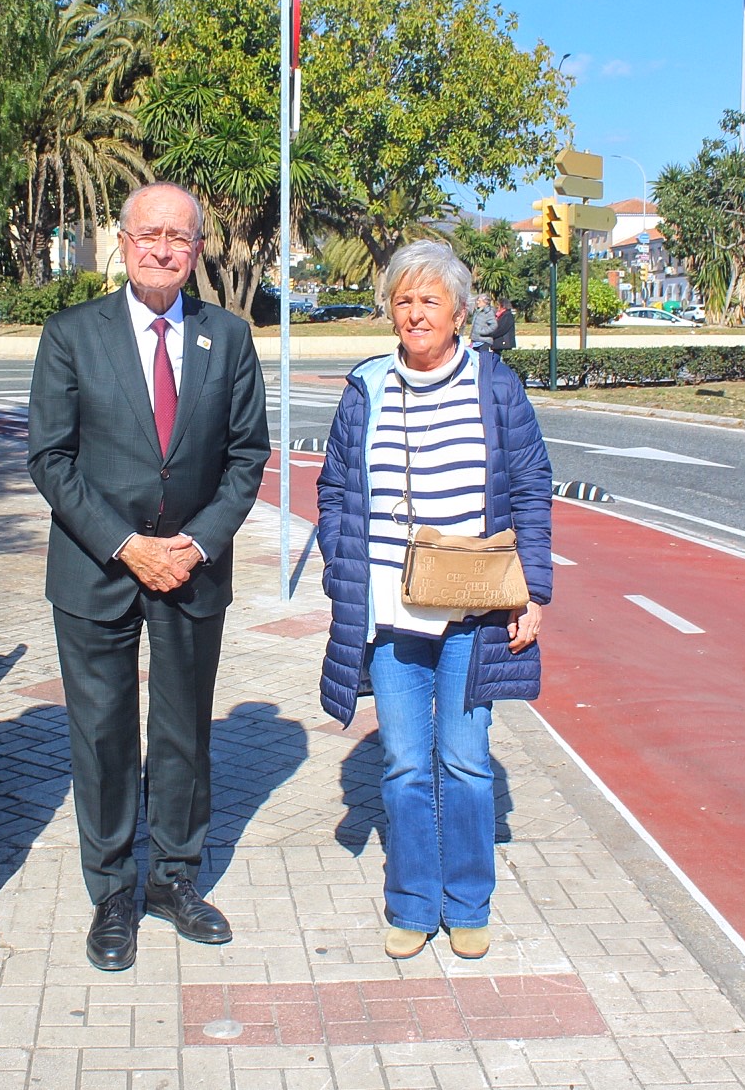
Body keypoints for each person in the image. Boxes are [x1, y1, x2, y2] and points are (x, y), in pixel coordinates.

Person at [28, 182, 271, 971]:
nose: (163, 248)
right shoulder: (71, 334)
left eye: (180, 236)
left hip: (192, 569)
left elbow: (245, 458)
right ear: (123, 243)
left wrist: (194, 545)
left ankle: (173, 878)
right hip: (98, 567)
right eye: (149, 234)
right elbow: (50, 458)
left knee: (182, 733)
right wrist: (125, 543)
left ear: (198, 250)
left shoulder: (227, 338)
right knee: (100, 736)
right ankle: (111, 894)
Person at [315, 239, 553, 961]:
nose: (416, 312)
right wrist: (342, 566)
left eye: (431, 300)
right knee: (405, 766)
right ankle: (413, 905)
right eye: (404, 299)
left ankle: (469, 900)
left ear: (459, 311)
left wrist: (531, 591)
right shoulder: (367, 387)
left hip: (473, 613)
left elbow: (531, 485)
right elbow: (333, 489)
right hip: (391, 615)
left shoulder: (494, 383)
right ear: (389, 308)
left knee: (466, 761)